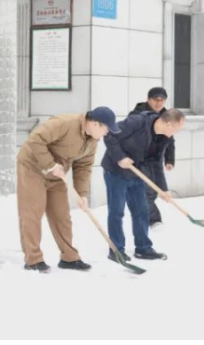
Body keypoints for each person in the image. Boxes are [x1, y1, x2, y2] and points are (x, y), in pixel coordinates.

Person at [17, 107, 120, 273]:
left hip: (58, 174)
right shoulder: (65, 123)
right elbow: (35, 140)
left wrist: (82, 194)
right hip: (33, 168)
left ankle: (69, 258)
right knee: (32, 213)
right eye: (106, 129)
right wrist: (50, 165)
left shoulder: (92, 141)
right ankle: (33, 260)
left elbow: (83, 167)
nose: (106, 133)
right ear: (95, 124)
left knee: (61, 215)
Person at [102, 108, 185, 262]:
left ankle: (143, 248)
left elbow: (156, 163)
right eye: (176, 129)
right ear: (167, 124)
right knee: (116, 212)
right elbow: (109, 134)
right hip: (115, 172)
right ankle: (116, 250)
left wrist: (163, 189)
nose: (175, 134)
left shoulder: (163, 137)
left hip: (137, 172)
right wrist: (120, 157)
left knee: (142, 211)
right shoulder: (137, 122)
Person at [129, 87, 176, 227]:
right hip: (140, 158)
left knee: (154, 190)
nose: (159, 103)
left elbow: (170, 139)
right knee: (146, 191)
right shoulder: (137, 115)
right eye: (156, 99)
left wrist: (169, 159)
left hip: (155, 159)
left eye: (162, 100)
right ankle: (153, 220)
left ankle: (147, 217)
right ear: (148, 99)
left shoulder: (166, 116)